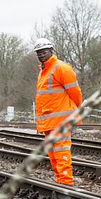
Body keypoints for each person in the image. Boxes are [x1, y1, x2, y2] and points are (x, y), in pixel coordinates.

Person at [33, 38, 83, 186]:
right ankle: (60, 182)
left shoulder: (62, 68)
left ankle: (66, 184)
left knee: (61, 152)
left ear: (52, 50)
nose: (41, 55)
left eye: (44, 51)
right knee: (53, 154)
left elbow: (75, 93)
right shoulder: (43, 71)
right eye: (38, 53)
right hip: (49, 121)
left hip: (61, 121)